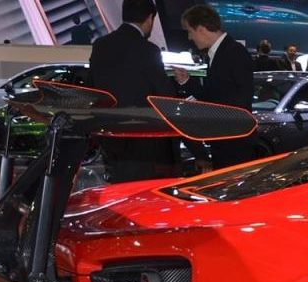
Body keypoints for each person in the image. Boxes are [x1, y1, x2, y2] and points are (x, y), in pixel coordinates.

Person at [88, 0, 176, 182]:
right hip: (144, 143)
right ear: (150, 18)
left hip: (111, 139)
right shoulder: (148, 50)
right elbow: (165, 95)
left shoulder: (100, 45)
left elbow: (92, 89)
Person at [172, 3, 255, 169]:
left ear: (201, 29)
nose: (189, 37)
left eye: (190, 31)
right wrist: (186, 81)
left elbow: (243, 99)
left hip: (234, 144)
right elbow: (213, 94)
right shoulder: (218, 53)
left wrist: (205, 113)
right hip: (225, 141)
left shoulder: (234, 52)